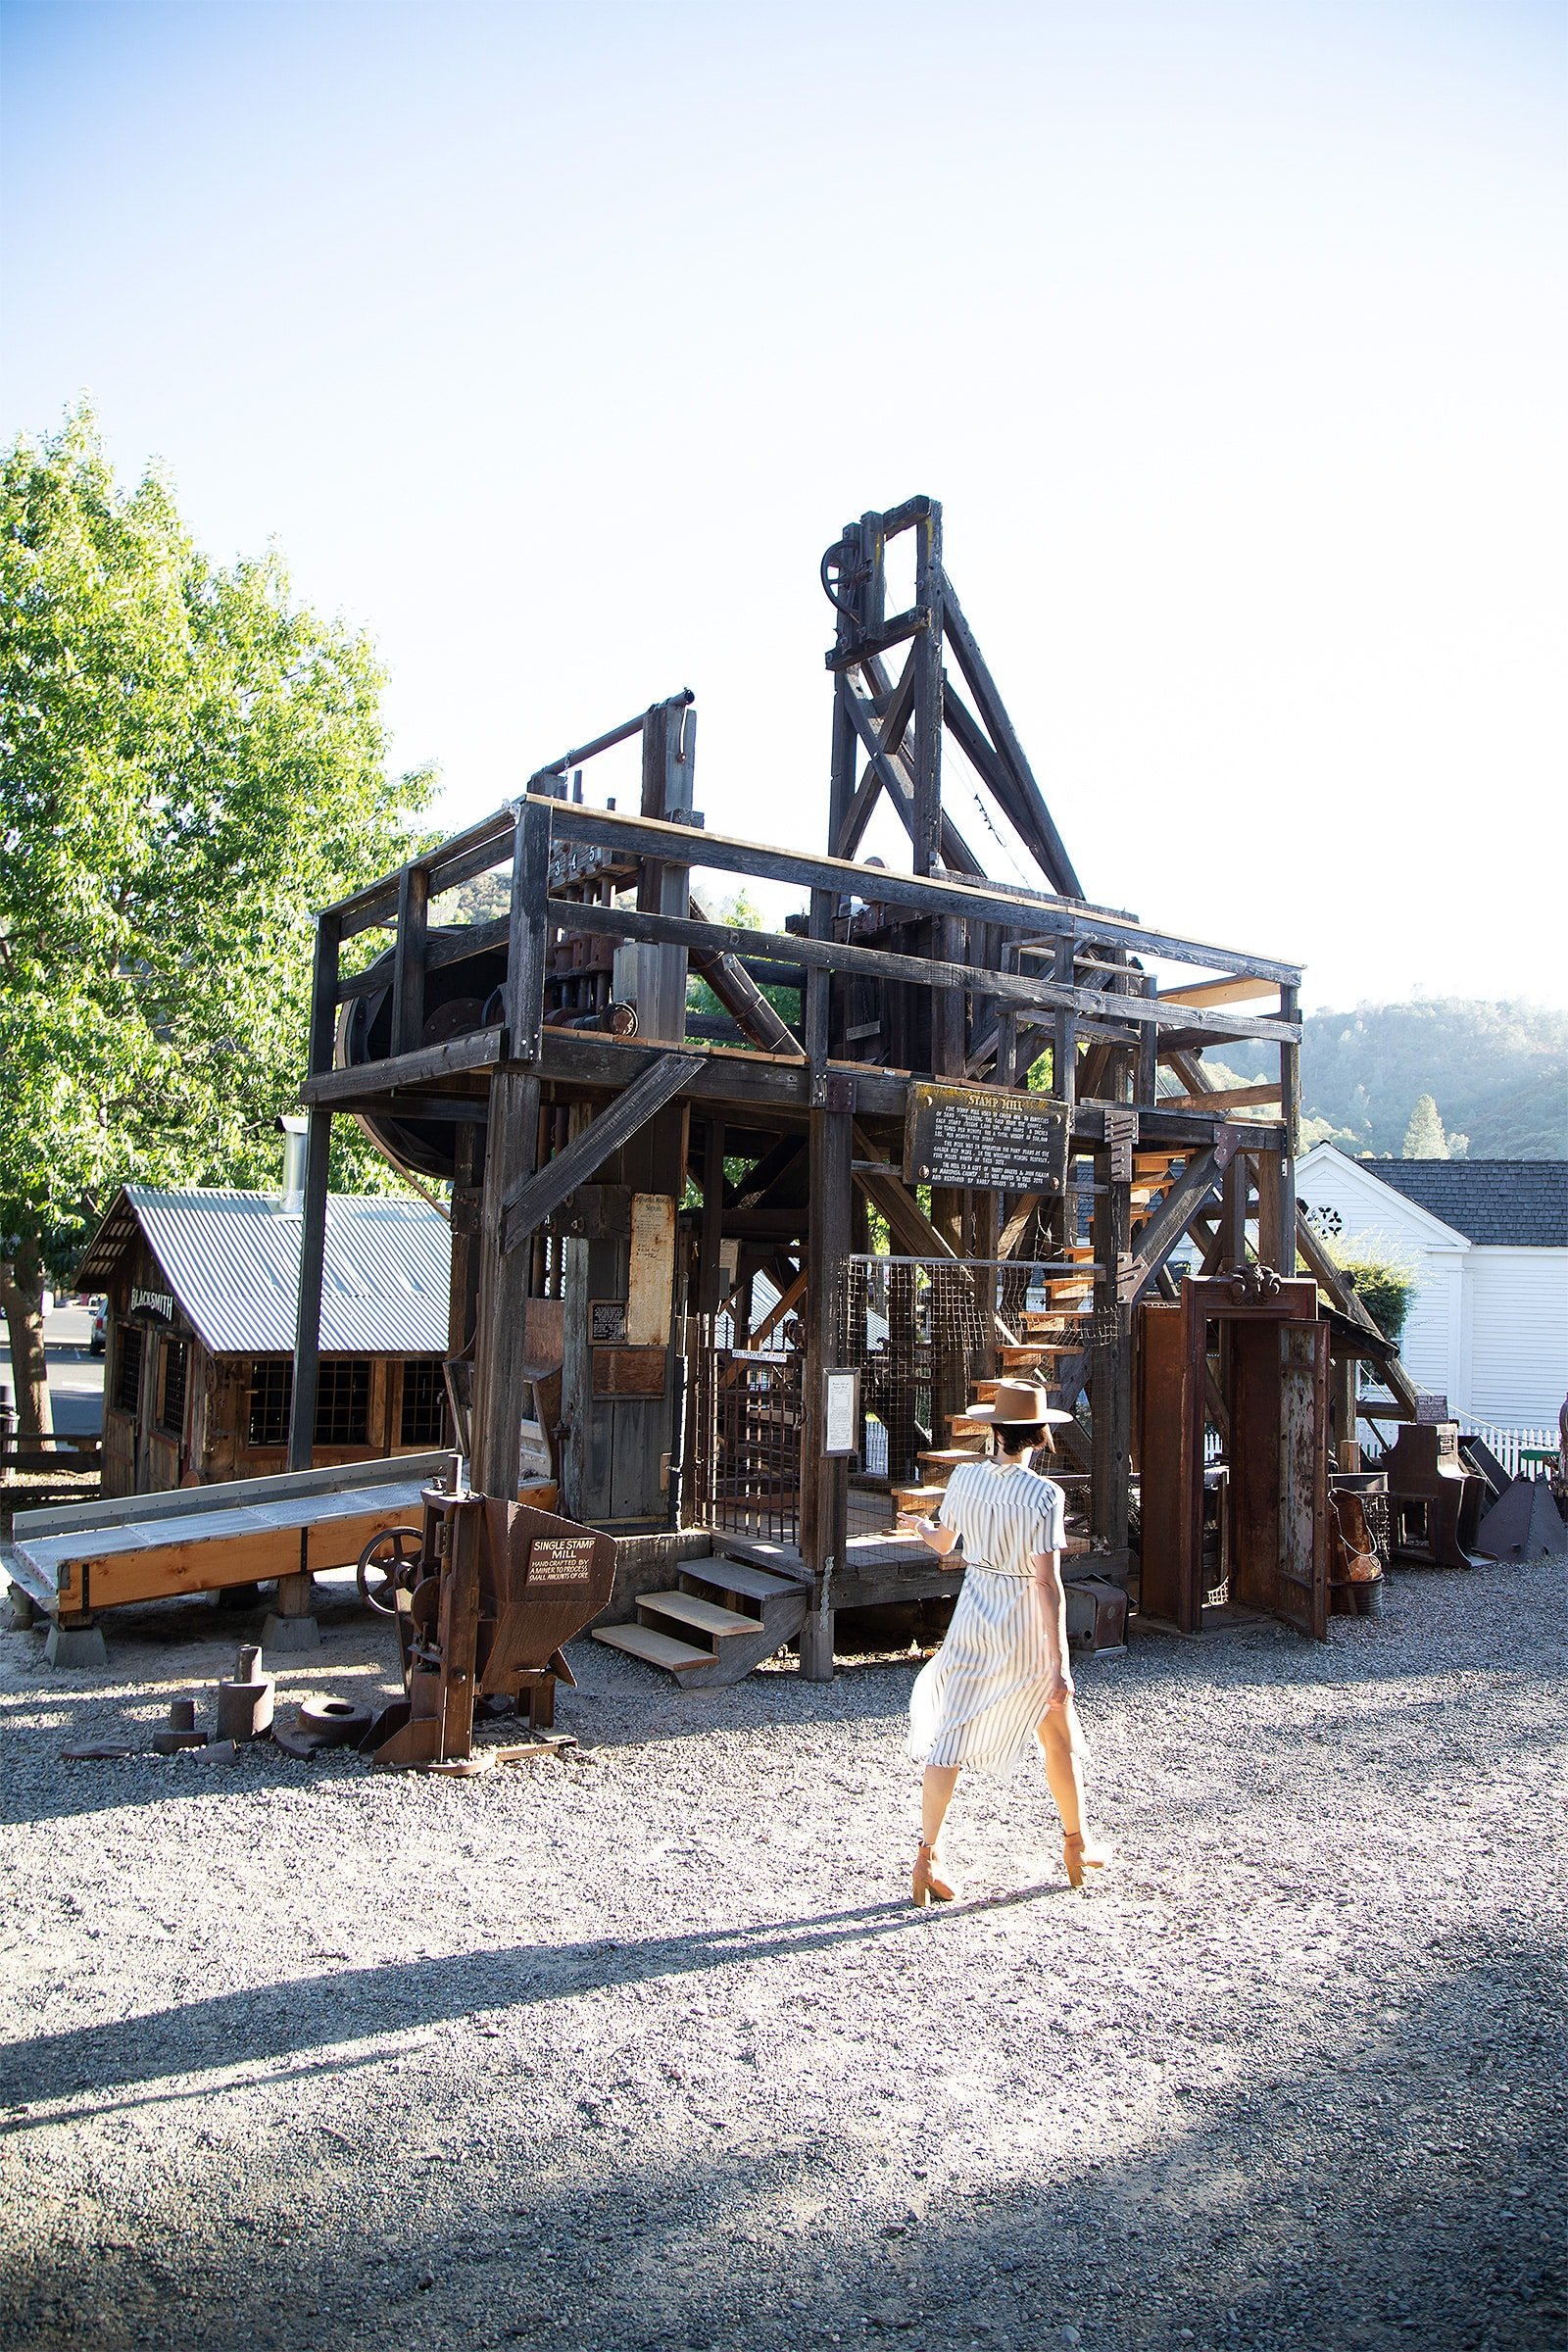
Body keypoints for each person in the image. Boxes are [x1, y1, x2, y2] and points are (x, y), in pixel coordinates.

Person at [899, 1379, 1108, 1903]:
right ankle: (1075, 1847)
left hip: (974, 1610)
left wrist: (920, 1526)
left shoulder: (964, 1479)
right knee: (1057, 1734)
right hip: (1023, 1622)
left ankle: (926, 1855)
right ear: (1040, 1438)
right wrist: (1059, 1663)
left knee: (950, 1734)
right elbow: (1047, 1583)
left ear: (993, 1432)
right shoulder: (1044, 1495)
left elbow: (944, 1543)